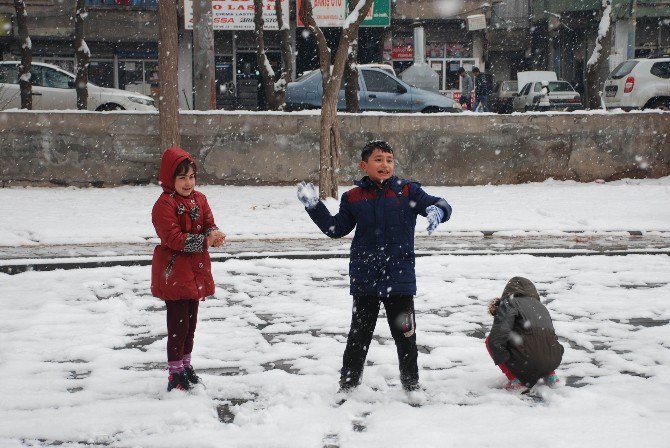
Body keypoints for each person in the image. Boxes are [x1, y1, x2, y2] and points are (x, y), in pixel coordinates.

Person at [296, 140, 452, 392]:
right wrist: (315, 207)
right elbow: (336, 229)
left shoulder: (408, 192)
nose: (385, 165)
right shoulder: (353, 197)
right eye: (378, 159)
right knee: (358, 336)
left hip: (400, 279)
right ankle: (348, 385)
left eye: (389, 160)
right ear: (364, 165)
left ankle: (411, 386)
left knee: (406, 337)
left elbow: (441, 203)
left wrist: (439, 211)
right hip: (365, 279)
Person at [151, 147, 226, 392]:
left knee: (191, 325)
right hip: (175, 273)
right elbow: (173, 238)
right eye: (182, 177)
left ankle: (185, 365)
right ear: (170, 179)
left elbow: (207, 223)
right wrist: (204, 241)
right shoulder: (164, 204)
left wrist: (212, 234)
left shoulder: (200, 199)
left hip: (195, 271)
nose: (188, 182)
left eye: (191, 176)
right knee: (178, 326)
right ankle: (175, 374)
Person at [485, 277, 564, 391]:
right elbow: (550, 336)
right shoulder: (540, 307)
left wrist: (505, 359)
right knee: (541, 339)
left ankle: (517, 381)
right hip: (553, 360)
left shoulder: (509, 303)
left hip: (527, 362)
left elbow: (496, 339)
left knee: (491, 341)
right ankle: (550, 375)